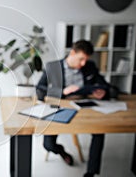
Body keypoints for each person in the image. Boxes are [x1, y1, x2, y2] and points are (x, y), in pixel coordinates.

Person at [36, 40, 110, 177]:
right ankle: (62, 151)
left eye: (86, 60)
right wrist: (62, 91)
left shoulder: (90, 66)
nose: (83, 64)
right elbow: (40, 89)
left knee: (100, 131)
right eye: (81, 59)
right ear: (72, 53)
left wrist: (103, 92)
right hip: (60, 108)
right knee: (48, 145)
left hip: (85, 108)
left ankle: (91, 173)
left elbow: (104, 85)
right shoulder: (53, 67)